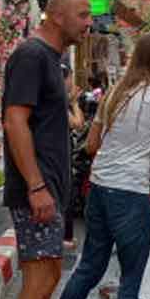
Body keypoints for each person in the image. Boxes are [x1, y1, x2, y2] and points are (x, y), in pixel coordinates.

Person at [41, 33, 150, 299]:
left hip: (99, 187)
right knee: (134, 274)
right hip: (130, 192)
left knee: (90, 265)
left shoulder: (115, 92)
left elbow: (91, 145)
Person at [0, 0, 92, 299]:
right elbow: (14, 120)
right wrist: (35, 186)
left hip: (50, 189)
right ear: (55, 16)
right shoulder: (31, 56)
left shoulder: (52, 60)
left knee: (48, 277)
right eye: (82, 14)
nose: (89, 22)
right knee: (36, 283)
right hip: (37, 191)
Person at [64, 62, 88, 252]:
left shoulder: (61, 100)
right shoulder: (58, 102)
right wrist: (73, 103)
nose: (73, 81)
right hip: (62, 157)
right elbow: (78, 123)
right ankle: (65, 236)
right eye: (70, 77)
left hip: (66, 154)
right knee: (67, 195)